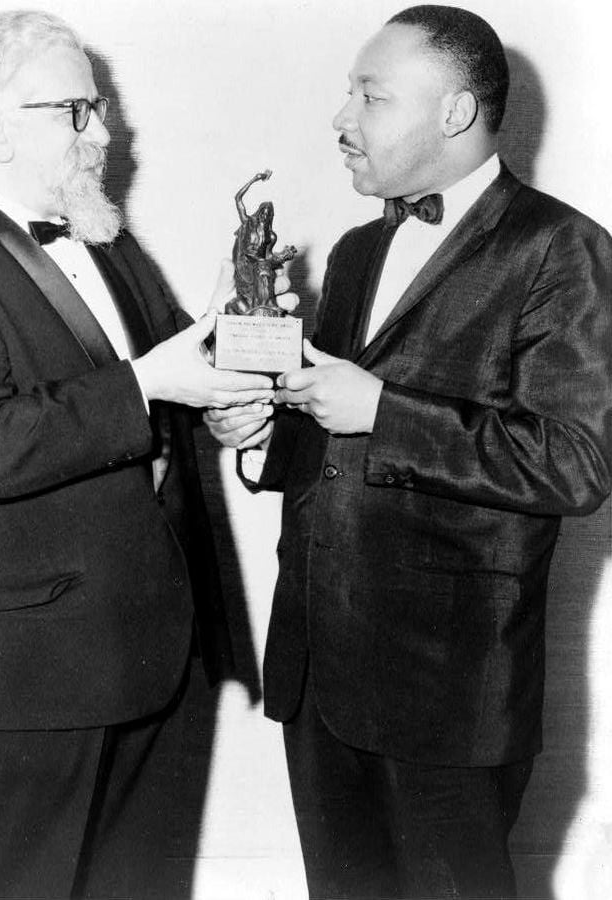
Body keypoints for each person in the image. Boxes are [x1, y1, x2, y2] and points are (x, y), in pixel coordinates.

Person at [0, 10, 297, 899]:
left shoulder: (111, 243)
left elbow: (166, 395)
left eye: (99, 108)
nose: (104, 133)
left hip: (154, 655)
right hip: (28, 676)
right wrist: (152, 383)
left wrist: (233, 380)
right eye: (76, 112)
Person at [205, 5, 612, 898]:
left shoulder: (560, 248)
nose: (341, 119)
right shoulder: (356, 251)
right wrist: (265, 435)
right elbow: (331, 441)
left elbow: (575, 463)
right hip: (317, 671)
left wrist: (382, 409)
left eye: (369, 95)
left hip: (447, 693)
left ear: (454, 113)